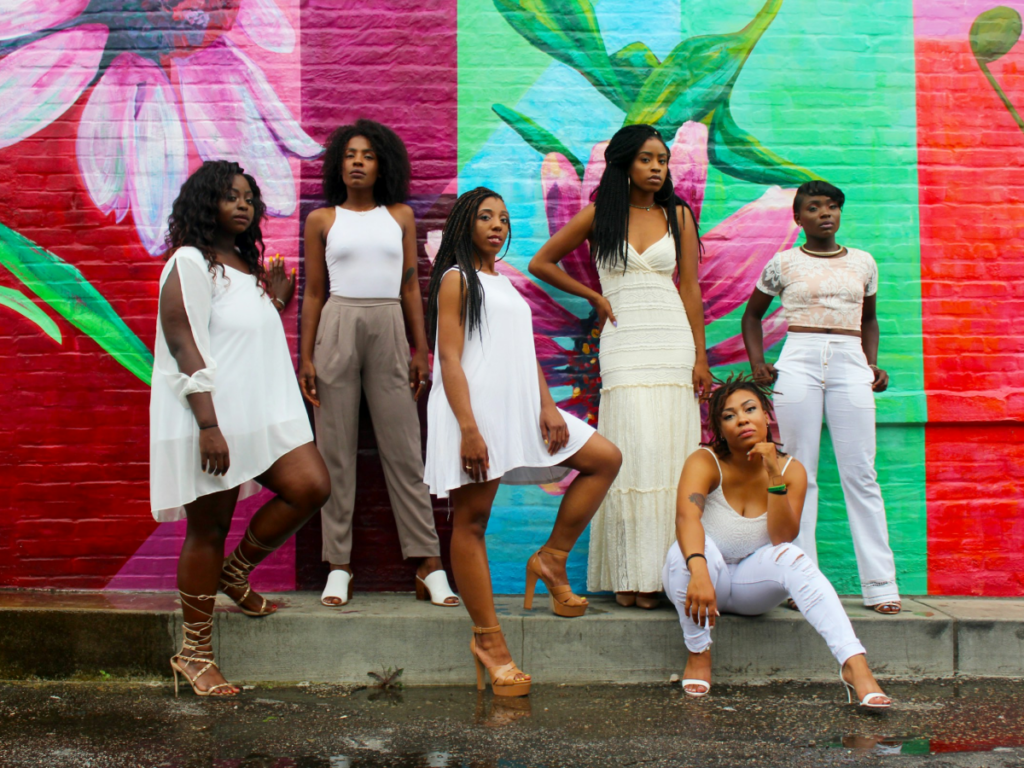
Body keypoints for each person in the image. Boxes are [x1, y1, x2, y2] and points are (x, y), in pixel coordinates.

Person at [424, 187, 622, 696]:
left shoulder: (503, 282)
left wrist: (548, 404)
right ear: (464, 224)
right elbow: (449, 359)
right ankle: (489, 642)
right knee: (471, 522)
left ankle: (551, 558)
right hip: (475, 411)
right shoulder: (456, 280)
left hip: (522, 407)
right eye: (485, 216)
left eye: (504, 219)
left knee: (603, 459)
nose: (497, 226)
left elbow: (523, 352)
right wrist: (468, 427)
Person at [151, 160, 331, 696]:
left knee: (310, 486)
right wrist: (209, 424)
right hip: (212, 418)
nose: (244, 203)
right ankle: (194, 653)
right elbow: (185, 340)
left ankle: (236, 573)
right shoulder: (188, 261)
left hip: (259, 414)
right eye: (231, 196)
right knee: (207, 529)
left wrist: (271, 300)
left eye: (249, 196)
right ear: (206, 204)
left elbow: (239, 333)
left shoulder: (239, 266)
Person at [529, 124, 711, 609]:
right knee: (631, 450)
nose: (657, 168)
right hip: (624, 341)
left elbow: (690, 288)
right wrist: (592, 294)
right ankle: (627, 575)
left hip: (671, 340)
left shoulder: (678, 215)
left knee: (670, 455)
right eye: (648, 159)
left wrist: (700, 357)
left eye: (664, 160)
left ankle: (659, 576)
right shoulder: (599, 214)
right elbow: (541, 263)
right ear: (625, 163)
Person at [299, 119, 458, 608]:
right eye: (349, 155)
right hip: (338, 324)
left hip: (389, 323)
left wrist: (421, 348)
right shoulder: (322, 220)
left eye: (367, 155)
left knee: (405, 451)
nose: (357, 162)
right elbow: (313, 293)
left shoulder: (401, 216)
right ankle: (339, 565)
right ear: (338, 165)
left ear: (381, 163)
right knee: (335, 453)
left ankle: (428, 563)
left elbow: (412, 285)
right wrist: (305, 356)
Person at [663, 376, 891, 708]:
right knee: (692, 552)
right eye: (729, 416)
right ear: (719, 429)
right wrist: (699, 572)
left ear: (765, 415)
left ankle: (855, 665)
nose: (741, 419)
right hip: (700, 578)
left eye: (749, 409)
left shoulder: (791, 470)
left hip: (749, 586)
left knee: (792, 556)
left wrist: (774, 474)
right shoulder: (705, 461)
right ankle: (699, 653)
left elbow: (781, 537)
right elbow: (687, 519)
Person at [741, 180, 901, 614]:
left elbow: (869, 321)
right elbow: (752, 316)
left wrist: (871, 364)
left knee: (861, 473)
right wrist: (759, 362)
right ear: (799, 218)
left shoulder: (864, 263)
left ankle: (881, 584)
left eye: (832, 207)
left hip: (850, 360)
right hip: (799, 358)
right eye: (814, 208)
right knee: (799, 472)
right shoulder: (783, 263)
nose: (825, 214)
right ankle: (800, 581)